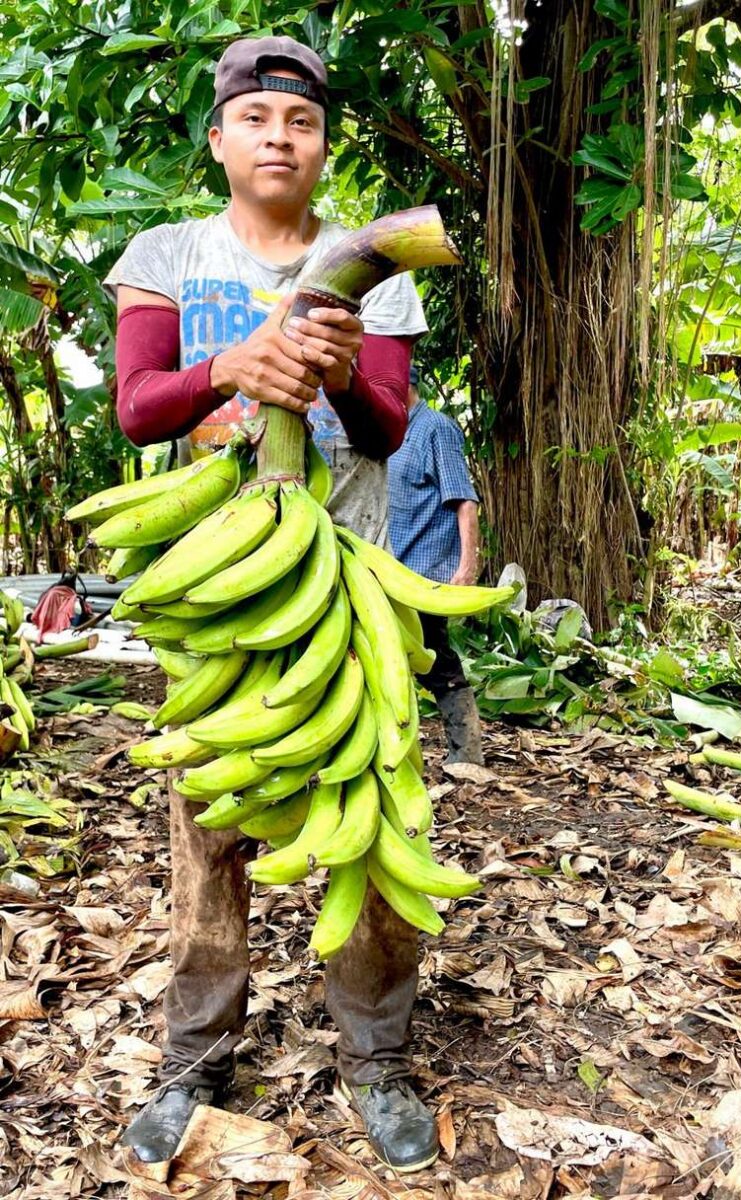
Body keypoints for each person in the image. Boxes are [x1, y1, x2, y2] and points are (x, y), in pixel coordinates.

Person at [104, 35, 440, 1175]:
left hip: (346, 581)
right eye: (255, 119)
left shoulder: (369, 266)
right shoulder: (167, 254)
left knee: (373, 815)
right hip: (221, 586)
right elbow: (139, 408)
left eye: (300, 122)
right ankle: (194, 1059)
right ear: (220, 138)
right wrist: (230, 369)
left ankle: (378, 1059)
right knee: (209, 829)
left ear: (323, 143)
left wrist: (340, 371)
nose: (278, 138)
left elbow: (389, 428)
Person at [387, 368, 484, 765]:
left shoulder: (435, 429)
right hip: (392, 569)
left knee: (435, 659)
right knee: (393, 658)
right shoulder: (388, 432)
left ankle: (467, 753)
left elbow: (465, 501)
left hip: (425, 573)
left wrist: (467, 567)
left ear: (403, 386)